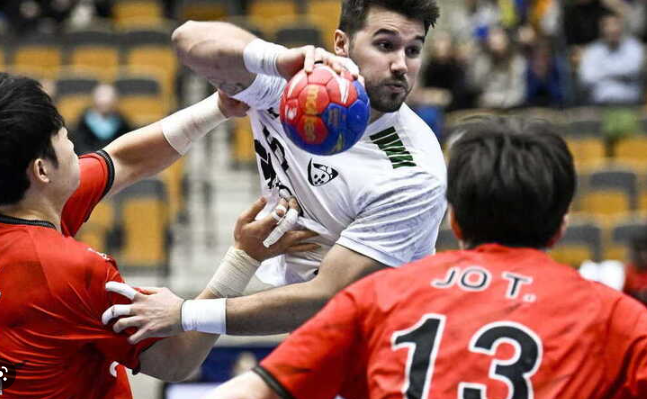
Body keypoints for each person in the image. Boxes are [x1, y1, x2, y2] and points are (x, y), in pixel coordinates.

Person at [197, 116, 647, 399]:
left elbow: (250, 393)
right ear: (561, 225)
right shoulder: (609, 313)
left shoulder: (381, 295)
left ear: (455, 219)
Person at [101, 0, 447, 340]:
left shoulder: (414, 171)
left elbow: (327, 295)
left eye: (413, 51)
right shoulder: (293, 84)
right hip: (317, 327)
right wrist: (275, 59)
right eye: (385, 45)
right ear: (341, 43)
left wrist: (185, 314)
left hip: (388, 340)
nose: (401, 65)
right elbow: (188, 39)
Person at [0, 72, 314, 398]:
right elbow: (175, 360)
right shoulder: (72, 269)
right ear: (41, 170)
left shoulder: (33, 200)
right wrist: (244, 257)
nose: (73, 145)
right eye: (62, 138)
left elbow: (125, 160)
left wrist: (218, 106)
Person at [579, 13, 645, 105]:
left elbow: (633, 70)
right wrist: (620, 74)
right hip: (599, 106)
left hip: (630, 104)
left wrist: (602, 72)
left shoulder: (633, 46)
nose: (612, 29)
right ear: (601, 29)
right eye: (608, 26)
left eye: (615, 24)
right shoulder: (593, 51)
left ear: (622, 27)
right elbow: (587, 78)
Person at [73, 83, 132, 154]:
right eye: (101, 96)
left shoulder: (122, 122)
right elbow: (79, 145)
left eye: (109, 96)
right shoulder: (83, 122)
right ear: (94, 98)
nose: (105, 100)